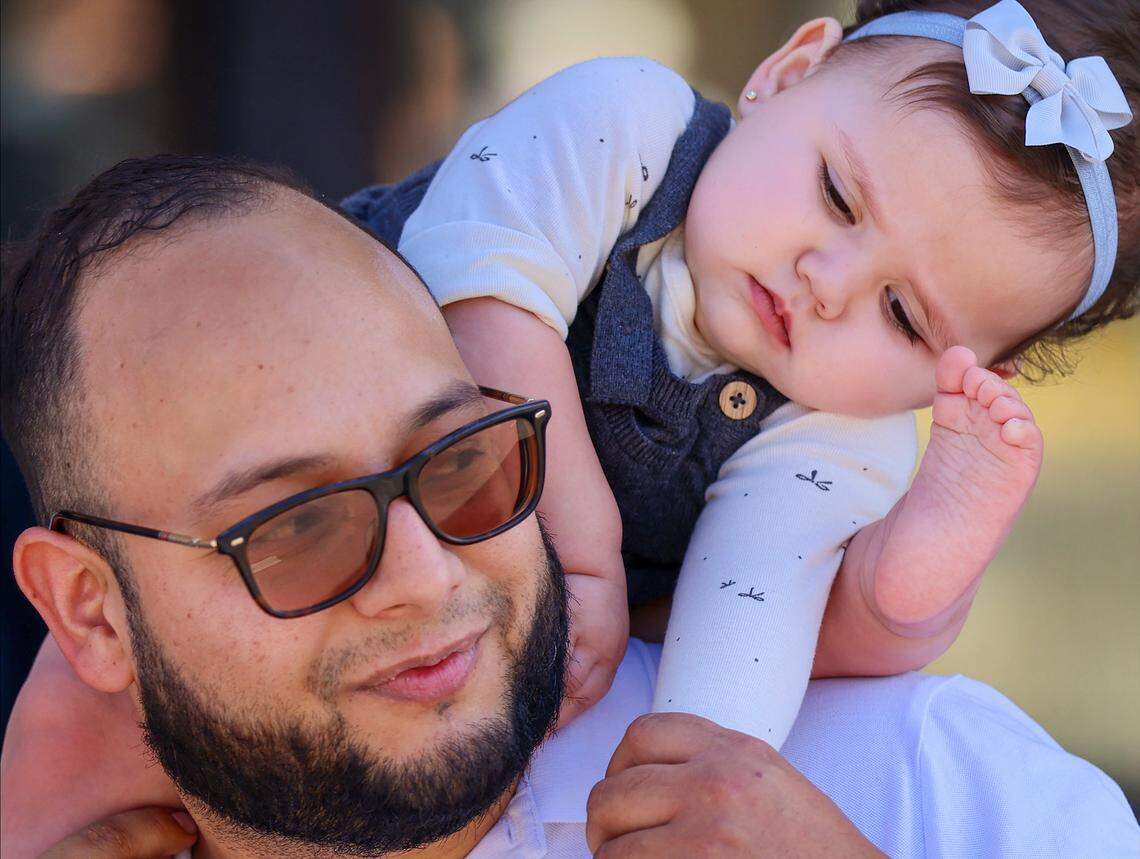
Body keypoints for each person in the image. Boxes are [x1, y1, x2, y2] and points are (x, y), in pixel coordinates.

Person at [2, 156, 1138, 858]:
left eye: (458, 460)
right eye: (297, 525)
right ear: (91, 616)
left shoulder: (922, 784)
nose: (429, 574)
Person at [346, 0, 1138, 743]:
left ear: (979, 368)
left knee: (794, 600)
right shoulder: (629, 123)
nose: (827, 282)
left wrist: (697, 762)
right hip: (325, 377)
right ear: (787, 74)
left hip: (427, 565)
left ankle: (904, 588)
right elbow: (482, 298)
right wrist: (585, 554)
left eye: (902, 314)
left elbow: (742, 621)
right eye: (837, 196)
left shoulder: (843, 427)